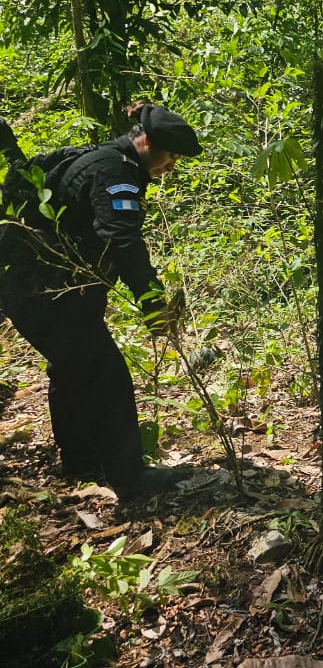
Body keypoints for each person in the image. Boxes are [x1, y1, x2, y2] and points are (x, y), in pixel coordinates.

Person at [0, 102, 202, 500]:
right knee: (106, 375)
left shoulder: (106, 159)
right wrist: (152, 304)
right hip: (40, 289)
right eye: (169, 156)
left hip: (37, 284)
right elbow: (122, 240)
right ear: (144, 141)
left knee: (74, 366)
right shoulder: (116, 174)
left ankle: (81, 462)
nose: (170, 167)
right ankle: (131, 481)